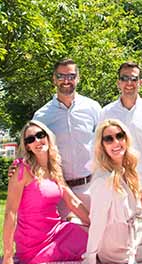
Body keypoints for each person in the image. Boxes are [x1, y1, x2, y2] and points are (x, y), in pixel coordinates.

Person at [1, 121, 90, 264]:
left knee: (98, 241)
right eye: (30, 139)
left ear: (48, 137)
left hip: (58, 232)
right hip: (33, 244)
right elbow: (10, 212)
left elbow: (72, 201)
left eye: (40, 135)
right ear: (27, 146)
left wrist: (96, 226)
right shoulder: (22, 170)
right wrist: (8, 257)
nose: (36, 141)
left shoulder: (54, 168)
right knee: (94, 248)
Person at [32, 57, 102, 213]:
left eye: (71, 76)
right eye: (61, 76)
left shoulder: (93, 108)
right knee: (65, 237)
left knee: (97, 235)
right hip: (58, 191)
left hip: (91, 187)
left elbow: (105, 144)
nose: (66, 80)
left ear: (78, 78)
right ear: (54, 79)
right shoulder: (41, 116)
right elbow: (32, 152)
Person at [83, 120, 142, 264]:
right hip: (117, 248)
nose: (116, 142)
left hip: (135, 236)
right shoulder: (103, 179)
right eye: (108, 139)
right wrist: (89, 257)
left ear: (126, 138)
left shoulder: (126, 170)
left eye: (119, 136)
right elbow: (97, 221)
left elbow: (135, 210)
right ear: (102, 145)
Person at [99, 62, 142, 210]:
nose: (129, 83)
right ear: (119, 82)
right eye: (125, 78)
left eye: (134, 79)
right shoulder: (106, 113)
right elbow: (100, 151)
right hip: (118, 192)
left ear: (140, 82)